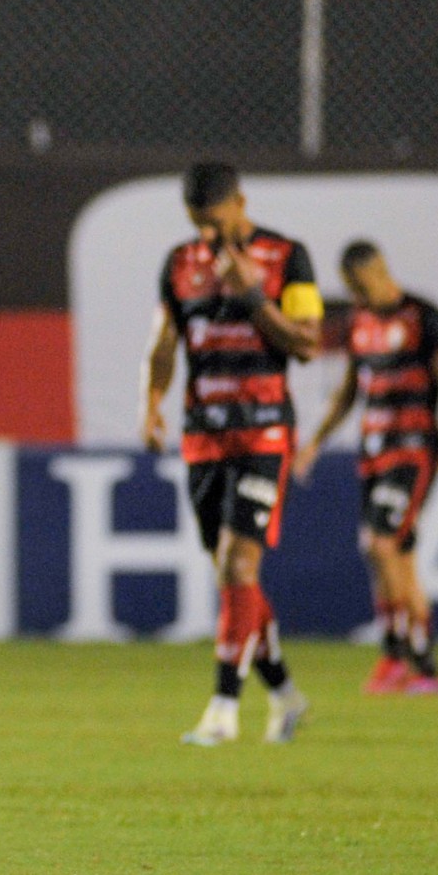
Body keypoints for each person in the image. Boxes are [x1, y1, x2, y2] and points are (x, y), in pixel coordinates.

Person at [142, 163, 319, 747]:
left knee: (237, 566)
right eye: (198, 226)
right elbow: (166, 342)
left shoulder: (287, 257)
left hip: (264, 431)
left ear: (241, 202)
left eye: (215, 223)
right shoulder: (179, 263)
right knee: (234, 580)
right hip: (203, 435)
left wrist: (253, 299)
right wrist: (151, 404)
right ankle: (287, 695)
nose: (209, 238)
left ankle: (222, 709)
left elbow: (308, 342)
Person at [295, 241, 438, 695]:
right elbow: (347, 392)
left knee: (381, 546)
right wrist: (314, 444)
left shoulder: (424, 318)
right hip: (374, 451)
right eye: (350, 289)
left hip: (414, 448)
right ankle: (412, 662)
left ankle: (407, 657)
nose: (357, 296)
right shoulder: (360, 323)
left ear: (380, 272)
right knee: (394, 556)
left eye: (361, 286)